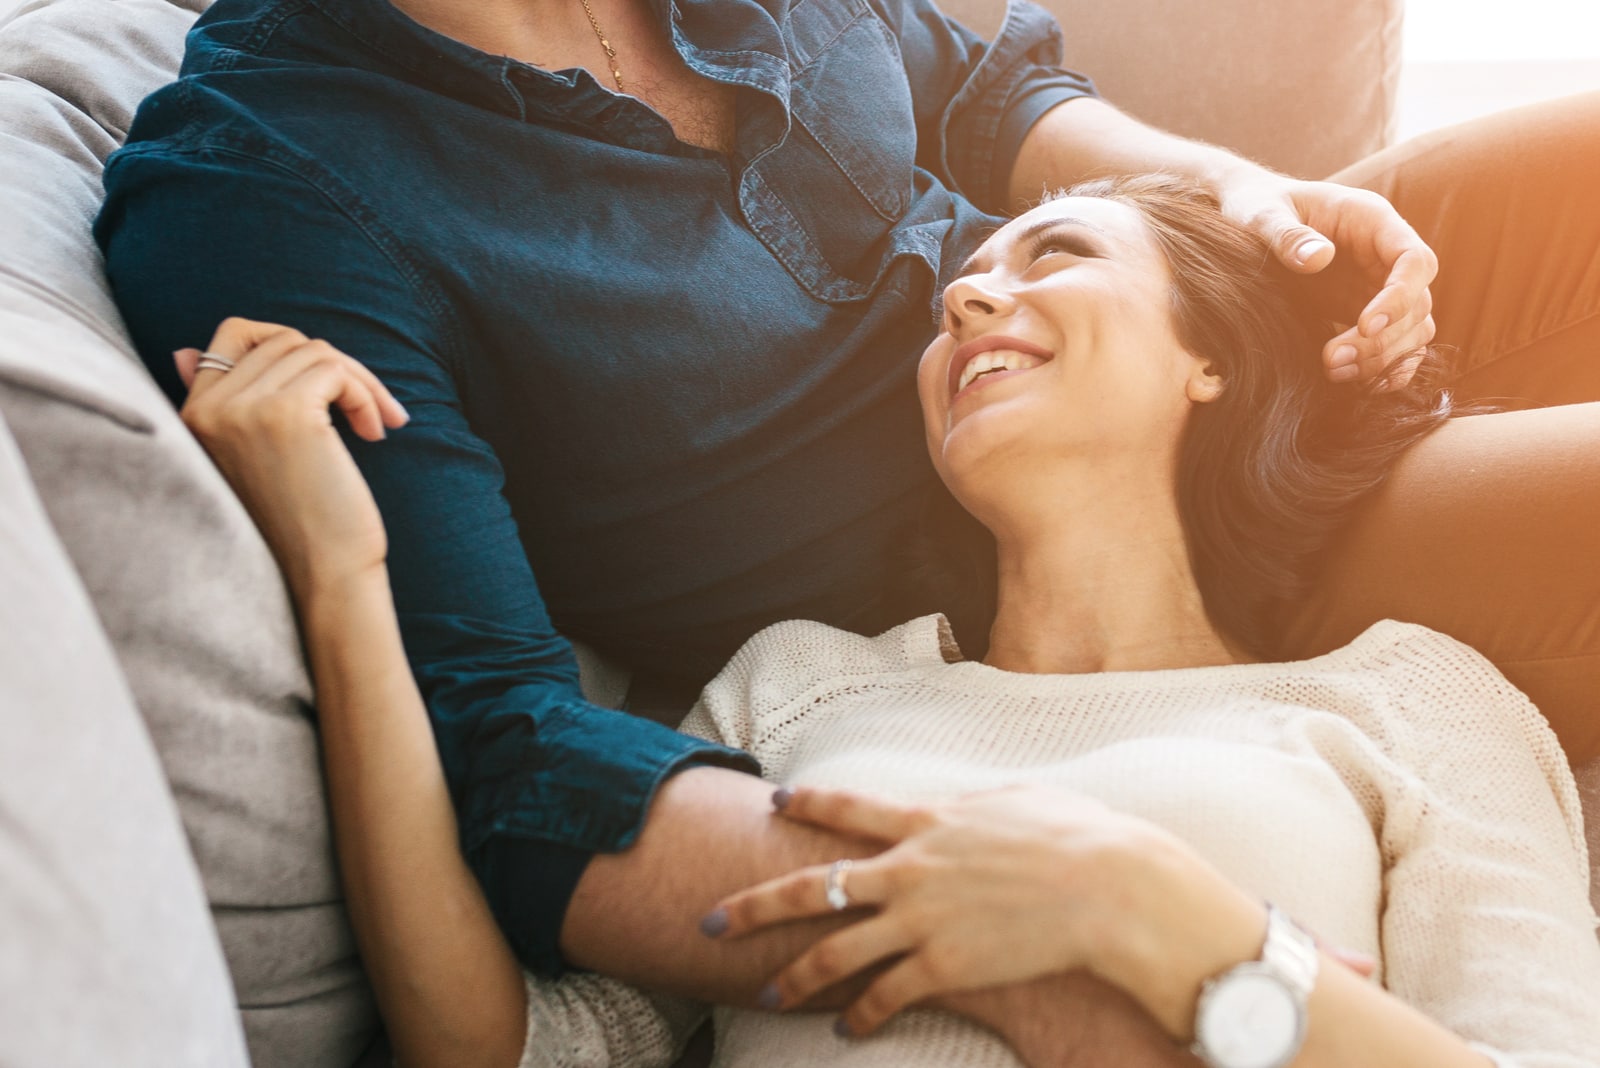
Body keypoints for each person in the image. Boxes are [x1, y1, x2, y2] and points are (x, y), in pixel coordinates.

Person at [94, 0, 1600, 1058]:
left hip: (1162, 343)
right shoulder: (266, 177)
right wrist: (1050, 951)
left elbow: (983, 84)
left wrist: (1224, 197)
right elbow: (502, 744)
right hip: (1091, 538)